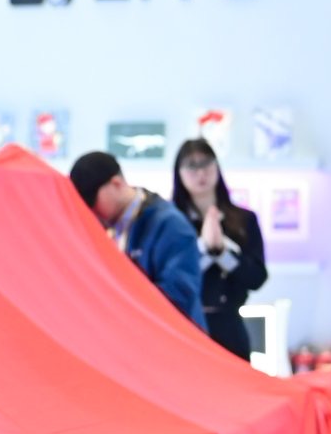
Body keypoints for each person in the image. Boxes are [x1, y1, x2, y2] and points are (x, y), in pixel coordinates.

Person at [69, 151, 207, 332]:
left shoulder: (170, 225)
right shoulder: (110, 230)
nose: (91, 212)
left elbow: (178, 295)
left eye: (92, 202)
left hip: (170, 339)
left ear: (116, 183)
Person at [170, 139, 268, 359]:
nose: (200, 173)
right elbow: (171, 277)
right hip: (185, 327)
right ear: (179, 172)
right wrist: (204, 249)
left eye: (206, 163)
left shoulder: (244, 219)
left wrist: (222, 253)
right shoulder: (171, 222)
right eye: (191, 166)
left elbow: (257, 278)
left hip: (230, 327)